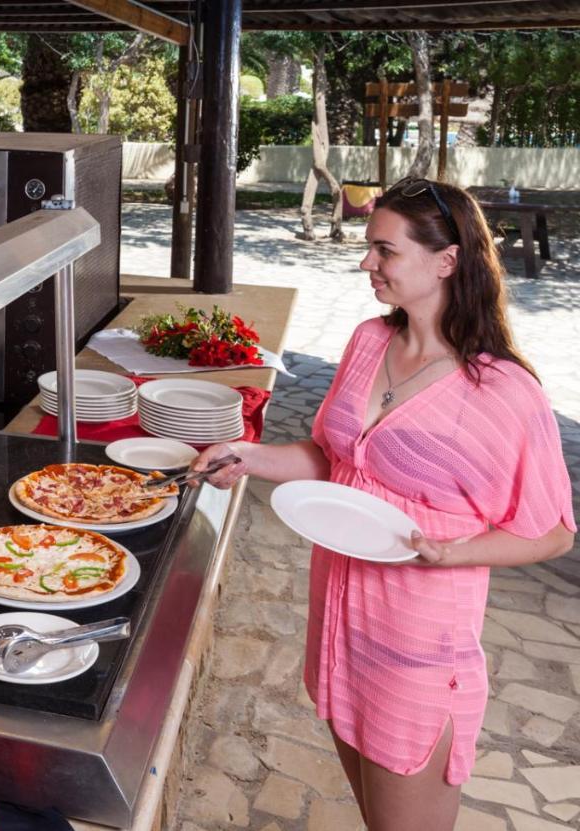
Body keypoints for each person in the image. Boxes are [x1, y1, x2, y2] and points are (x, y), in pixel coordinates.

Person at [191, 177, 574, 831]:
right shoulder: (369, 341)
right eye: (371, 248)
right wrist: (248, 456)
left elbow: (553, 532)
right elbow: (331, 459)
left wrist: (449, 552)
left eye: (384, 250)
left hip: (417, 650)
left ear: (447, 260)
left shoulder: (503, 391)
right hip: (341, 627)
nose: (367, 262)